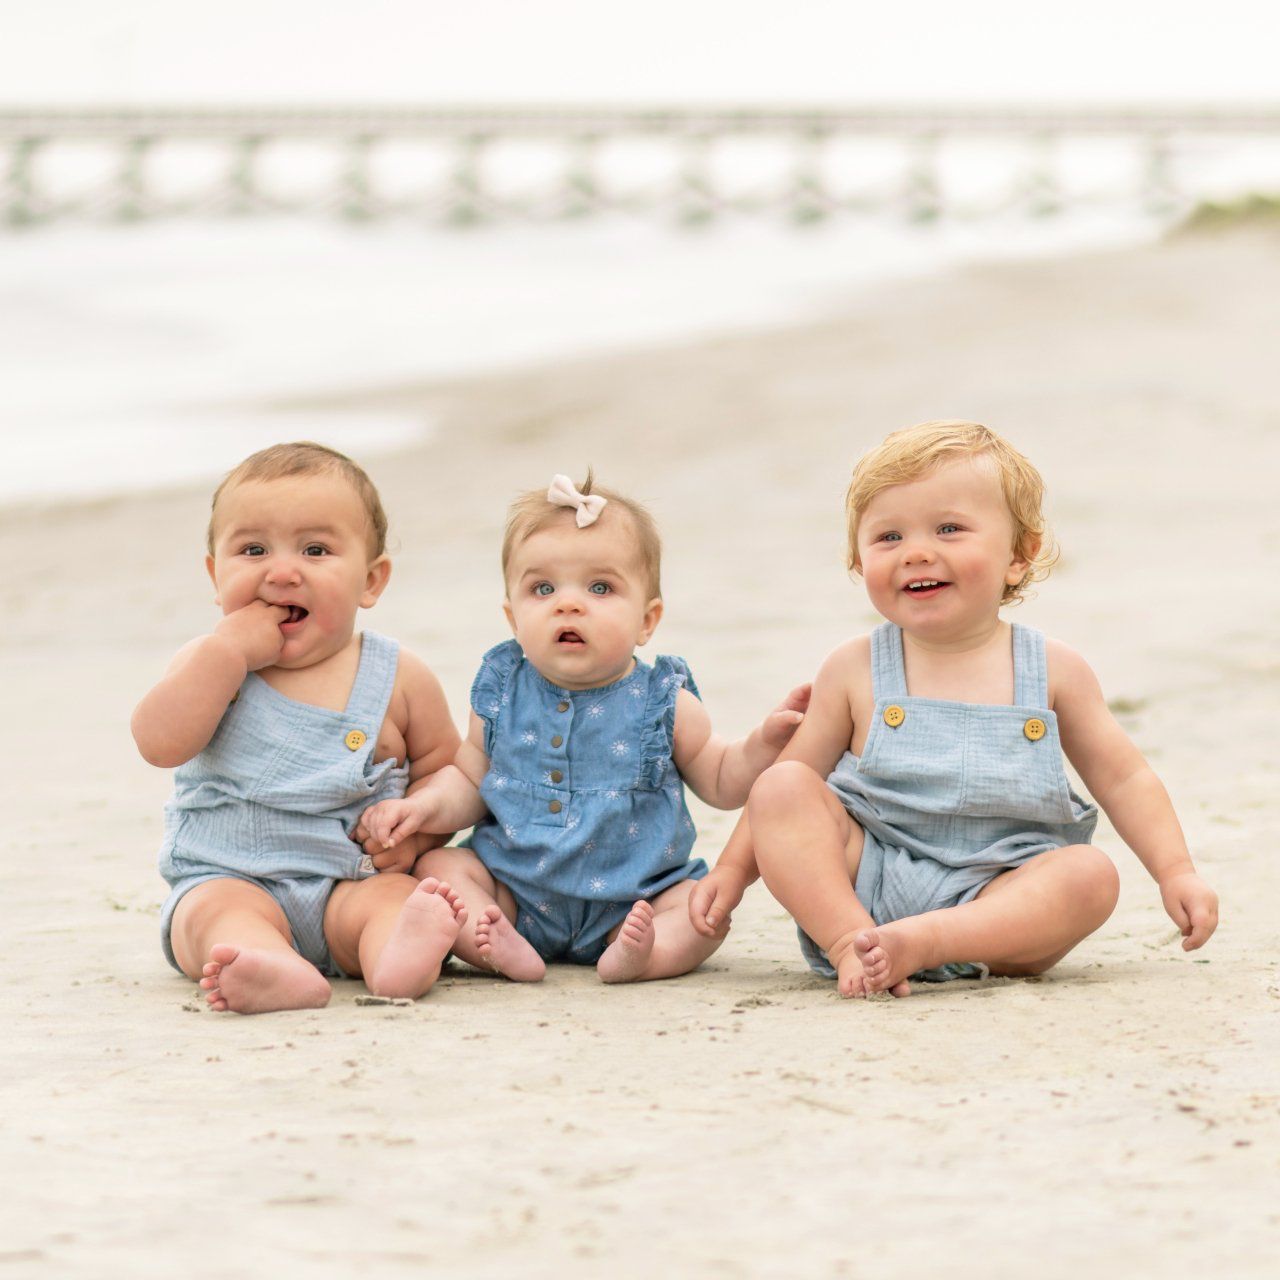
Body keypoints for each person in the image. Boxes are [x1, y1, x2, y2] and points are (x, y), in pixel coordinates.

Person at [689, 420, 1218, 997]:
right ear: (859, 561)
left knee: (1089, 875)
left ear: (1018, 555)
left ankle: (929, 940)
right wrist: (731, 873)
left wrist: (1176, 871)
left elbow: (1125, 777)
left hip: (1004, 900)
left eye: (948, 529)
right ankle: (851, 944)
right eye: (888, 537)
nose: (917, 552)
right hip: (869, 879)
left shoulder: (1053, 671)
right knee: (783, 785)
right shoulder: (855, 668)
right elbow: (791, 781)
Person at [360, 473, 809, 983]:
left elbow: (722, 779)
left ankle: (641, 955)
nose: (568, 603)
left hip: (637, 898)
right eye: (542, 588)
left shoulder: (665, 700)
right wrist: (420, 808)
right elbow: (469, 781)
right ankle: (499, 945)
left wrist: (765, 742)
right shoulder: (501, 689)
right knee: (439, 871)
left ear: (647, 619)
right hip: (514, 889)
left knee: (703, 911)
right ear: (512, 617)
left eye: (600, 587)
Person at [132, 442, 465, 1014]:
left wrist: (419, 831)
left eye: (315, 550)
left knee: (397, 900)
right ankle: (270, 965)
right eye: (253, 549)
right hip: (230, 877)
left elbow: (450, 773)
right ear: (216, 575)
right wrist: (228, 653)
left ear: (371, 580)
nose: (281, 572)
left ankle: (396, 959)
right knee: (209, 916)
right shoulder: (207, 662)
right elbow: (158, 742)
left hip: (352, 884)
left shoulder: (399, 676)